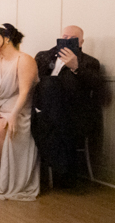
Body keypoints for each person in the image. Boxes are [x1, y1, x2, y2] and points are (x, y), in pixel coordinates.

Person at [32, 26, 107, 188]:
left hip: (72, 114)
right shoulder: (44, 56)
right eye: (64, 37)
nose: (66, 40)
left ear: (80, 42)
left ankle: (53, 171)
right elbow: (32, 81)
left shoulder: (89, 62)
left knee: (51, 120)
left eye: (72, 38)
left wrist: (76, 67)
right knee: (49, 85)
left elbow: (98, 87)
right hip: (41, 111)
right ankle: (59, 170)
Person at [0, 25, 39, 199]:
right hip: (1, 108)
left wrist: (13, 116)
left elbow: (25, 92)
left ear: (6, 39)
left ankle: (9, 176)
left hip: (19, 110)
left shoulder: (24, 60)